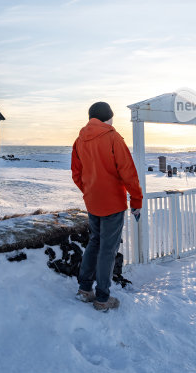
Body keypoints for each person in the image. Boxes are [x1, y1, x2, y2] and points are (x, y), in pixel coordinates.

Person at [71, 101, 143, 311]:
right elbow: (128, 172)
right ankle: (102, 298)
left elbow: (76, 173)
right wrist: (136, 200)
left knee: (94, 242)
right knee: (108, 250)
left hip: (93, 201)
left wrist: (89, 191)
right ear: (108, 117)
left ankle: (85, 289)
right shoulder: (112, 136)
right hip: (112, 202)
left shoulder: (79, 139)